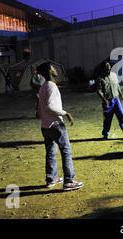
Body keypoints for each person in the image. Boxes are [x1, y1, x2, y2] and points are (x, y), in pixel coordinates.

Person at [37, 62, 84, 191]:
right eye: (53, 68)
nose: (55, 69)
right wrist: (66, 113)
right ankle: (69, 181)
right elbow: (49, 106)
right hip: (56, 125)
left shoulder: (43, 87)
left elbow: (40, 108)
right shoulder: (51, 86)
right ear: (49, 71)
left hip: (45, 126)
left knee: (51, 152)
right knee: (66, 151)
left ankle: (51, 179)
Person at [96, 61, 123, 140]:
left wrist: (122, 95)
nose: (108, 69)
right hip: (107, 102)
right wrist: (104, 100)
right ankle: (105, 134)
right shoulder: (100, 79)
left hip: (116, 100)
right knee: (107, 119)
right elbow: (98, 91)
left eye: (109, 67)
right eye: (106, 68)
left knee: (122, 116)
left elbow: (117, 86)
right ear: (103, 69)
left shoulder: (114, 75)